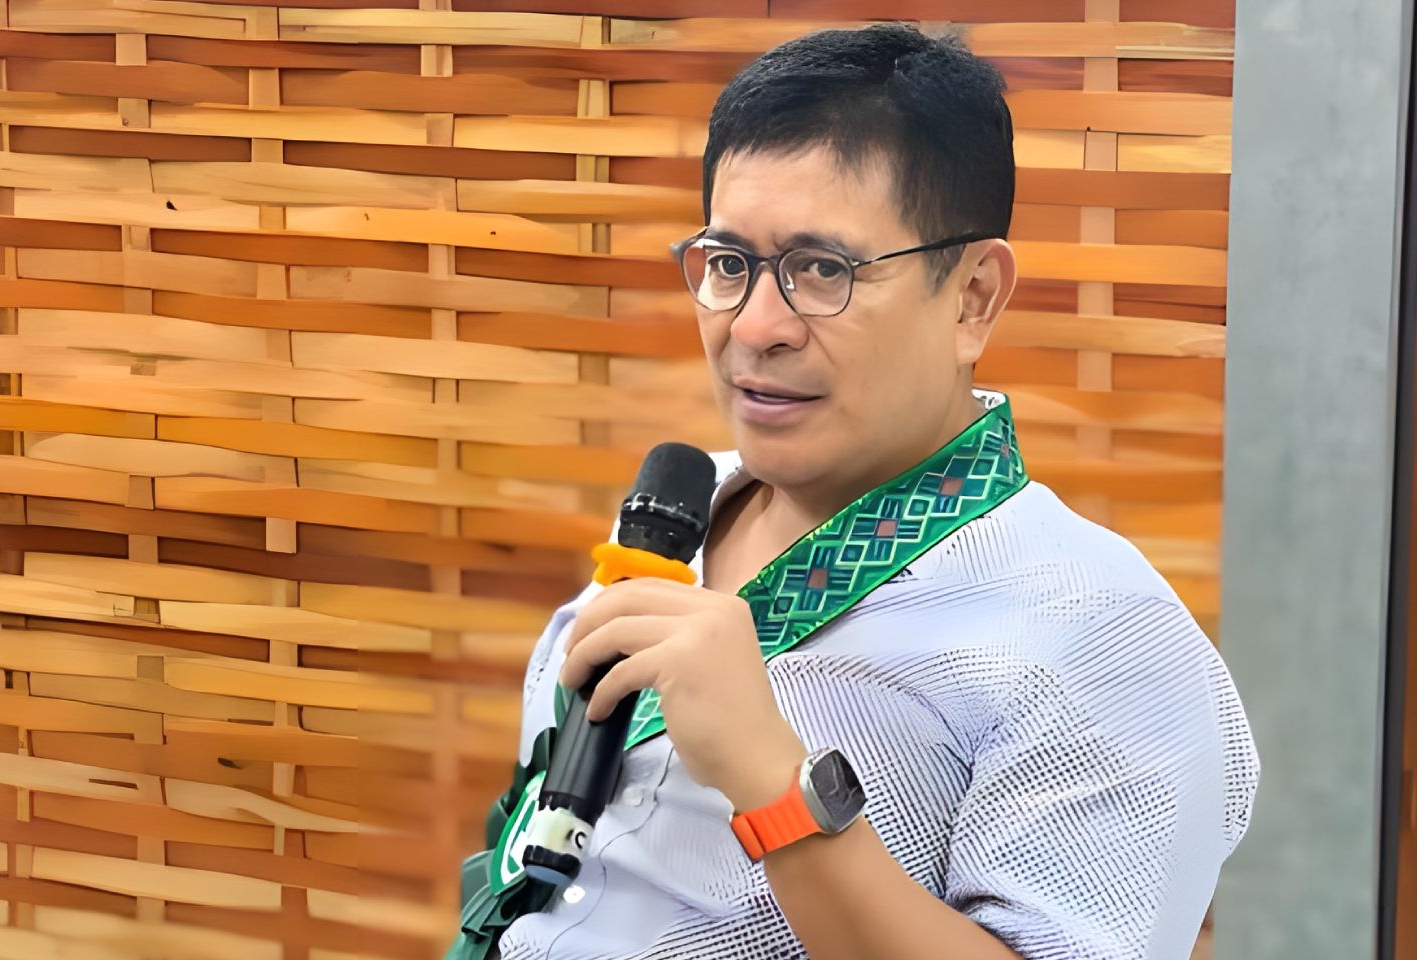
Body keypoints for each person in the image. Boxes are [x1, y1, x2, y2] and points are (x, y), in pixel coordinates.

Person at [452, 23, 1258, 960]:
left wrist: (774, 781)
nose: (756, 326)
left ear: (973, 297)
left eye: (821, 270)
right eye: (729, 264)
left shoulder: (1102, 633)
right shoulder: (680, 515)